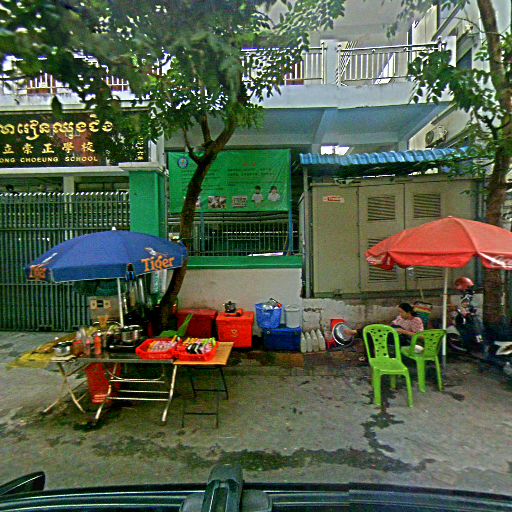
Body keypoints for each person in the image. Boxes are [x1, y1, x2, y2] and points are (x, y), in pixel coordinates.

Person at [345, 302, 424, 340]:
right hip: (392, 331)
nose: (400, 314)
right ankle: (369, 355)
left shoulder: (416, 320)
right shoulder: (400, 317)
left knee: (370, 334)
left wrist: (403, 331)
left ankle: (356, 333)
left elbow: (421, 336)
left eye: (401, 312)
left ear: (408, 312)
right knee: (371, 330)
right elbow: (393, 324)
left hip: (402, 338)